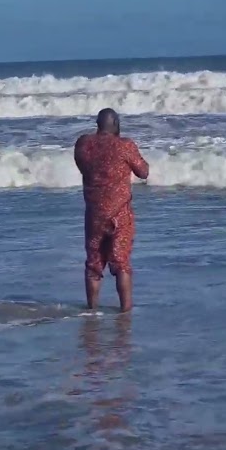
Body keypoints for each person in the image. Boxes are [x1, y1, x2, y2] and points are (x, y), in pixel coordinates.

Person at [74, 108, 149, 312]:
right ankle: (125, 310)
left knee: (93, 265)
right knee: (121, 263)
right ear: (115, 123)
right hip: (120, 213)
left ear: (97, 124)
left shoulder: (84, 144)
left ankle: (92, 310)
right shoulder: (124, 146)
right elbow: (143, 172)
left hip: (94, 214)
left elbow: (82, 166)